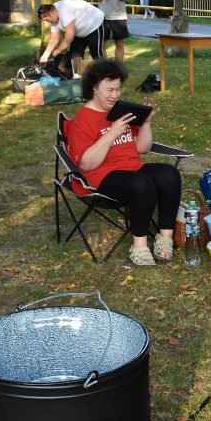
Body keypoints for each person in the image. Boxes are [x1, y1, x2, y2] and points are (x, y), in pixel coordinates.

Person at [65, 59, 181, 266]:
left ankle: (165, 239)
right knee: (141, 183)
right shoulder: (82, 119)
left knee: (169, 175)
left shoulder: (120, 111)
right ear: (94, 88)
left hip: (132, 168)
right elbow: (87, 164)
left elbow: (141, 148)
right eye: (109, 90)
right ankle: (139, 247)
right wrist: (110, 134)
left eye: (118, 89)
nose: (115, 95)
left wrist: (145, 123)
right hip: (100, 176)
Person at [38, 0, 105, 77]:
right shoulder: (53, 18)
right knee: (75, 54)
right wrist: (45, 55)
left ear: (52, 13)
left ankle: (106, 75)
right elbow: (54, 39)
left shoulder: (64, 12)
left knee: (96, 53)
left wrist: (59, 49)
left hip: (94, 23)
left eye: (47, 20)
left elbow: (70, 35)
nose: (48, 22)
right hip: (78, 30)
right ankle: (78, 77)